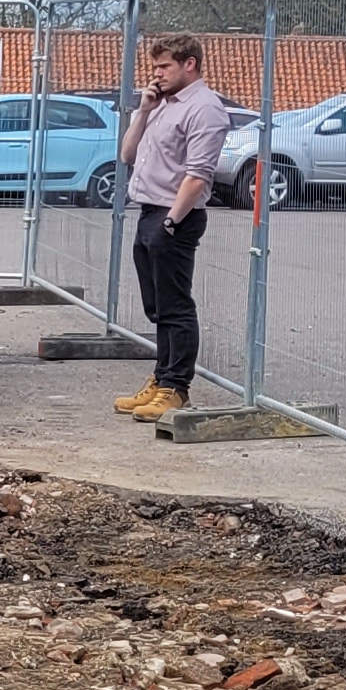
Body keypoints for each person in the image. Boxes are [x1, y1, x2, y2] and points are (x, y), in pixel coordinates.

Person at [117, 35, 229, 422]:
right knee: (157, 305)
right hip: (148, 210)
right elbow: (127, 154)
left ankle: (176, 388)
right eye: (156, 67)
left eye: (164, 67)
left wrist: (170, 222)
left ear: (190, 64)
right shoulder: (161, 105)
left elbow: (197, 174)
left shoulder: (204, 109)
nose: (157, 74)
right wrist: (143, 110)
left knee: (176, 305)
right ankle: (161, 376)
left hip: (174, 216)